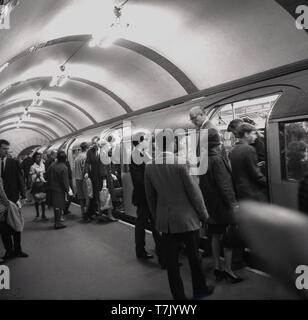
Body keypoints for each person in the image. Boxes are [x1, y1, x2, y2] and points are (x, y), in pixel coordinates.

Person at [144, 129, 214, 300]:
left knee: (172, 263)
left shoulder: (150, 167)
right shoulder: (180, 163)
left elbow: (150, 197)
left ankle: (179, 298)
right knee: (194, 257)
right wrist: (204, 215)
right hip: (187, 219)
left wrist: (157, 218)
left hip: (166, 222)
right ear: (173, 143)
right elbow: (194, 193)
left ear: (157, 146)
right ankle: (200, 289)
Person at [199, 128, 242, 283]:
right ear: (217, 143)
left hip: (210, 205)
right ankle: (229, 270)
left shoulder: (203, 159)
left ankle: (217, 267)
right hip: (222, 205)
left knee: (215, 235)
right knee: (229, 239)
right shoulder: (217, 159)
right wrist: (233, 204)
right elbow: (225, 185)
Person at [130, 132, 162, 262]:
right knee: (144, 223)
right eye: (146, 140)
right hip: (144, 196)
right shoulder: (136, 155)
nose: (148, 142)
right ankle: (142, 250)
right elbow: (138, 180)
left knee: (149, 223)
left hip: (145, 196)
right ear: (141, 141)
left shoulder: (141, 154)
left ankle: (159, 251)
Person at [0, 139, 28, 261]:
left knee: (16, 225)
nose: (6, 151)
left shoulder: (14, 162)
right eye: (4, 149)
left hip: (13, 198)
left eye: (7, 149)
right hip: (0, 202)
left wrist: (24, 195)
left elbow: (20, 179)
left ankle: (18, 250)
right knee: (3, 228)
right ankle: (9, 251)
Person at [229, 123, 267, 201]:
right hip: (253, 192)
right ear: (246, 134)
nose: (256, 136)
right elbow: (256, 175)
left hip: (241, 191)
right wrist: (268, 182)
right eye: (253, 134)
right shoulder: (249, 149)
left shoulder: (233, 150)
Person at [84, 136, 117, 221]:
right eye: (93, 143)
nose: (94, 145)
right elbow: (87, 163)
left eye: (96, 143)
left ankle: (110, 215)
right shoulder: (90, 152)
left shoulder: (105, 150)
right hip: (95, 177)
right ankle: (100, 214)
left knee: (108, 194)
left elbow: (112, 158)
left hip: (105, 176)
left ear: (99, 142)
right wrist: (86, 172)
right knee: (98, 195)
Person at [47, 151, 69, 229]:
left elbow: (47, 175)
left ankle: (57, 223)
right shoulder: (63, 167)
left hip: (51, 189)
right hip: (59, 190)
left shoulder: (52, 165)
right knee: (59, 207)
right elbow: (65, 181)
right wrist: (68, 190)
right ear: (64, 159)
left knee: (56, 207)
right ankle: (57, 223)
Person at [30, 152, 48, 221]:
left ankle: (43, 214)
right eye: (38, 157)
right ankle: (37, 214)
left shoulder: (43, 165)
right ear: (34, 158)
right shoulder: (32, 167)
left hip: (42, 184)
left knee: (43, 200)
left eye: (40, 157)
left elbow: (44, 174)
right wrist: (36, 176)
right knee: (37, 200)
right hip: (36, 185)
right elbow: (32, 178)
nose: (39, 158)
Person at [74, 142, 89, 221]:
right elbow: (85, 169)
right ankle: (87, 214)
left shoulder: (77, 157)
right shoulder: (85, 156)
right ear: (87, 148)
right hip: (84, 179)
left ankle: (83, 213)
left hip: (77, 179)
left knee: (81, 198)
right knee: (87, 197)